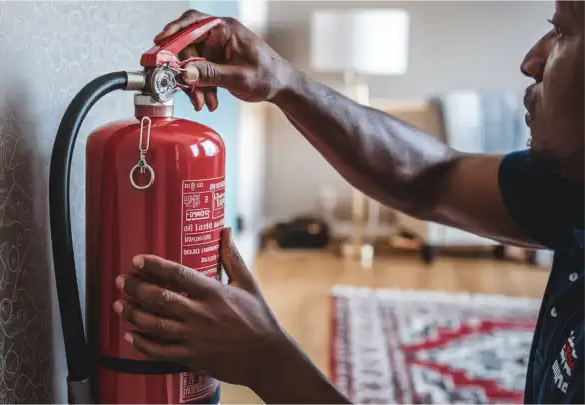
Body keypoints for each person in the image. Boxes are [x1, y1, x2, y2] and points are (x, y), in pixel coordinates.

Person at [112, 4, 585, 404]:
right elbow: (430, 180)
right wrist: (283, 82)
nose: (531, 60)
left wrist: (267, 359)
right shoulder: (570, 188)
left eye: (562, 31)